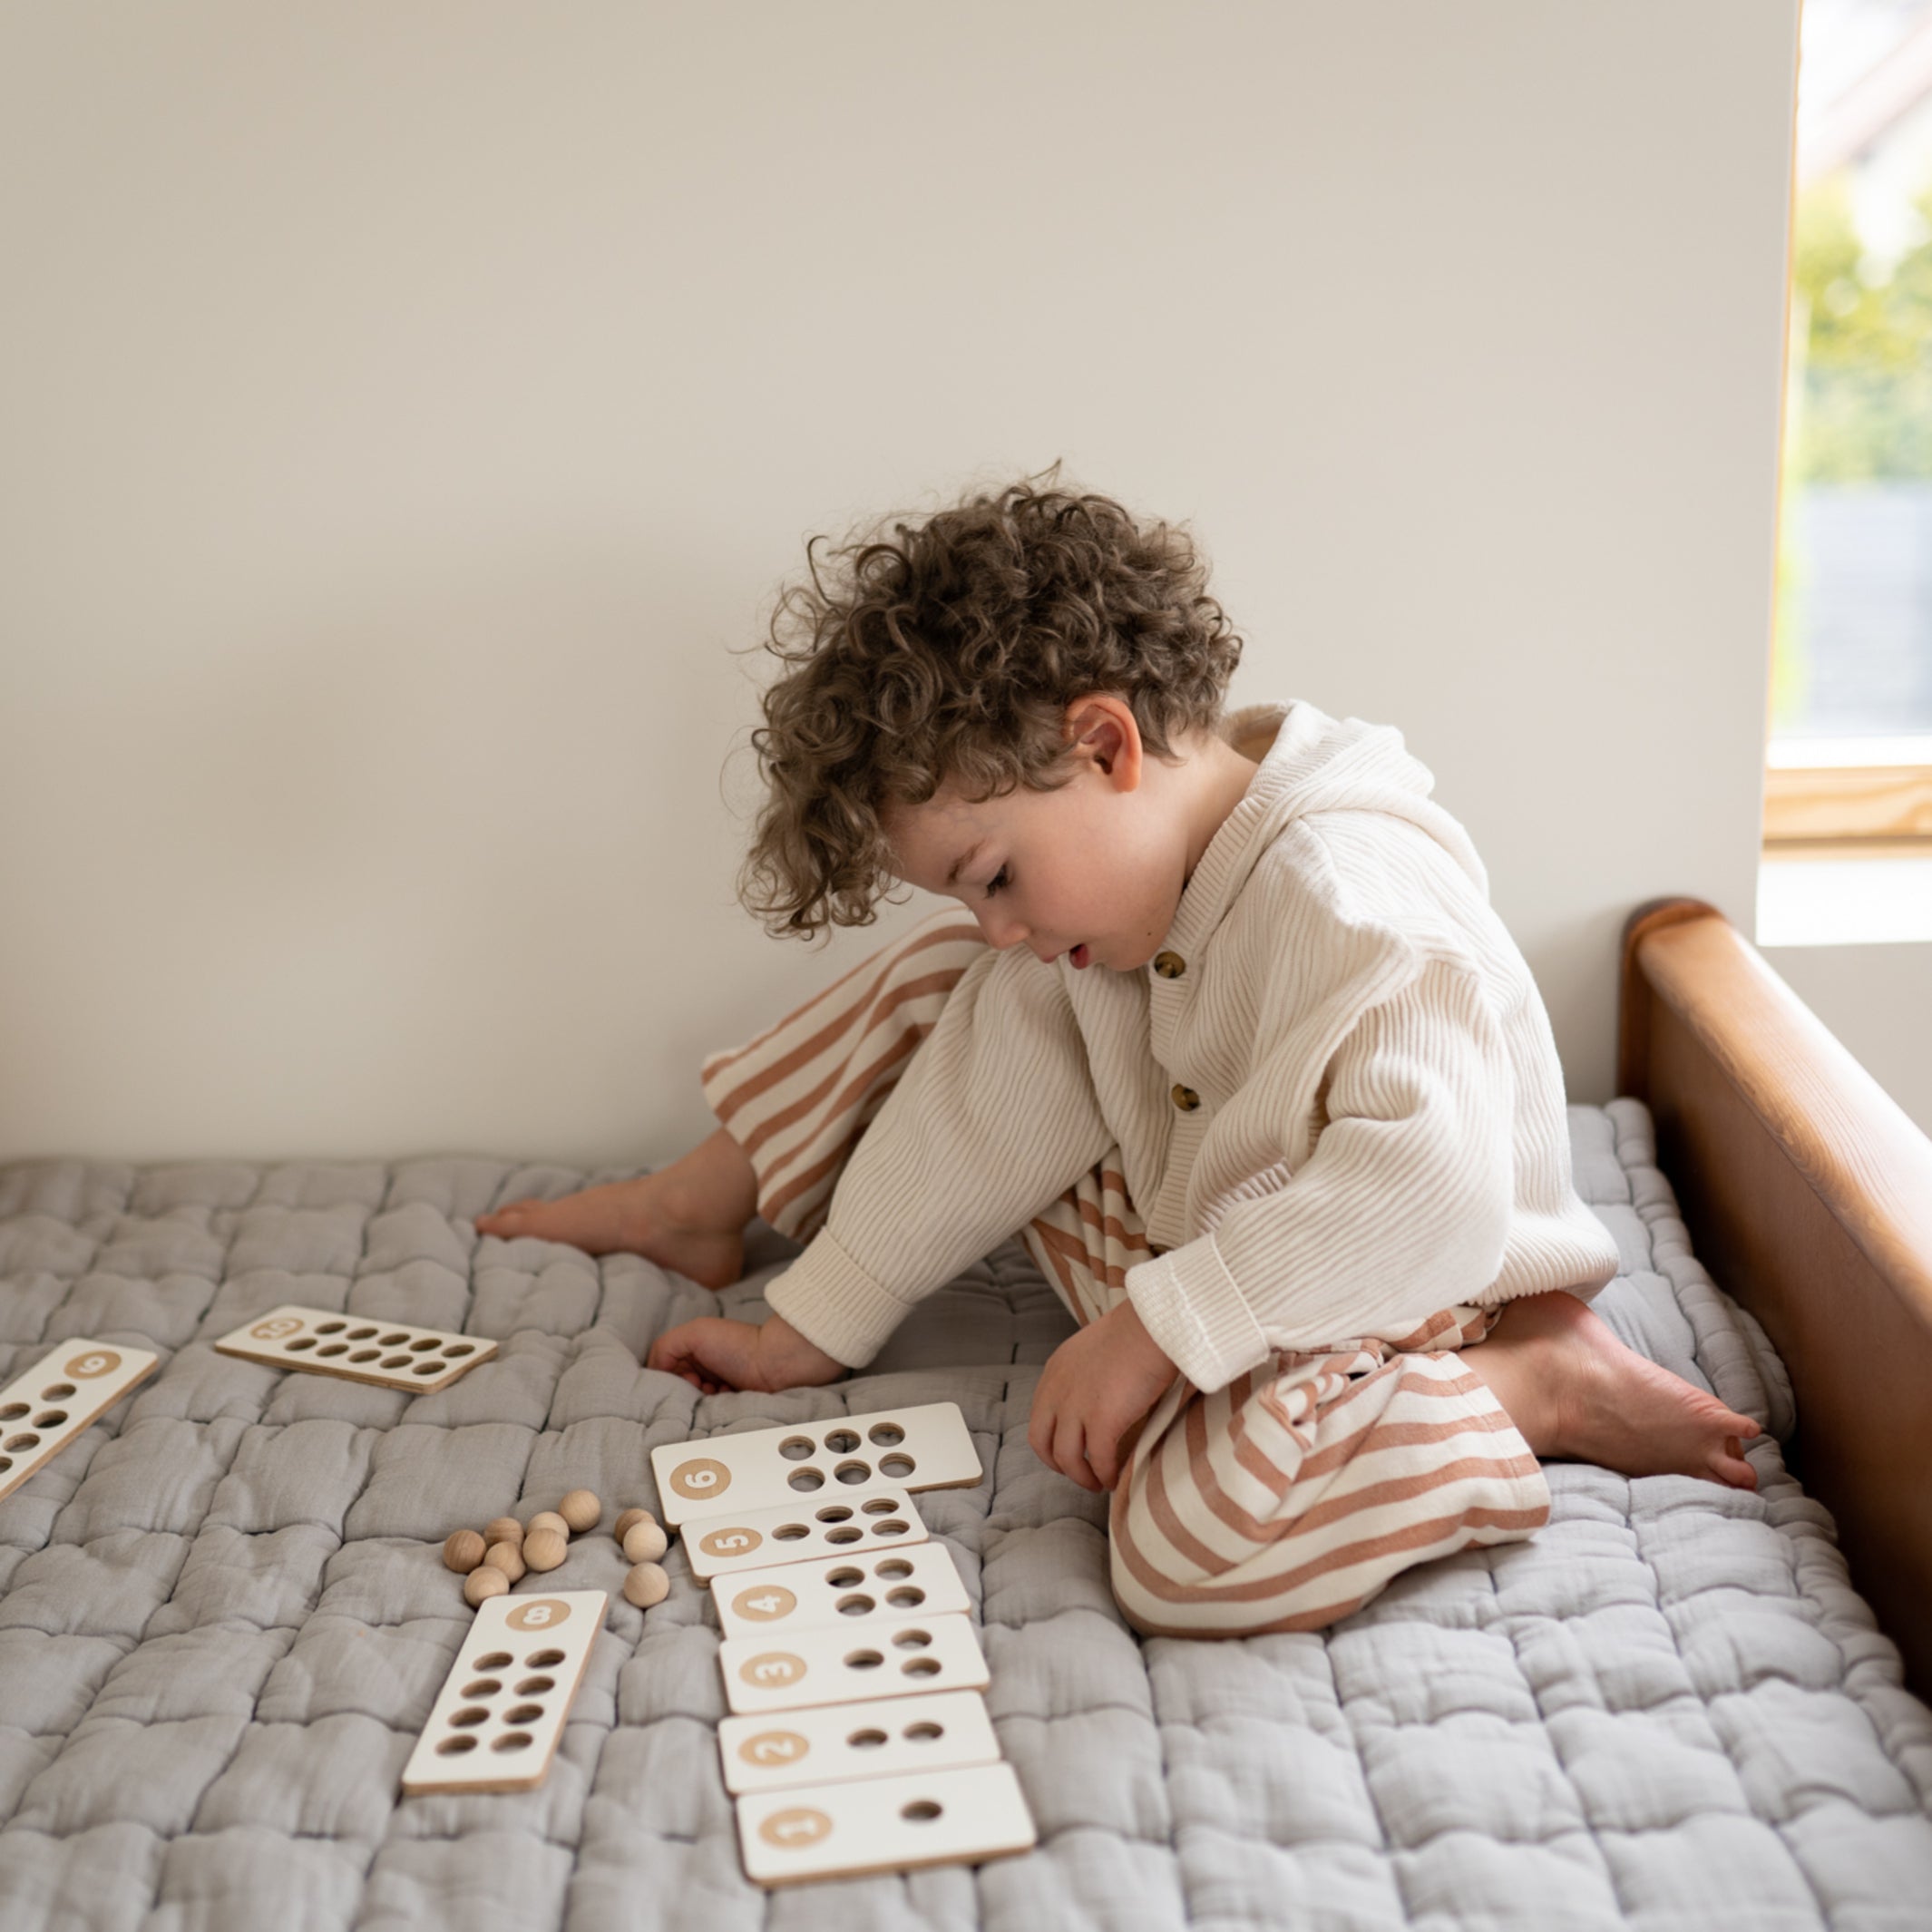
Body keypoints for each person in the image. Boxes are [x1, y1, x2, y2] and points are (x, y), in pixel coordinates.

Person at [476, 473, 1760, 1635]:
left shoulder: (1347, 896)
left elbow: (1428, 1190)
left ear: (1104, 746)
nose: (998, 923)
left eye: (993, 876)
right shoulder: (1123, 900)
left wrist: (1165, 1323)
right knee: (965, 990)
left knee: (1189, 1548)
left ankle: (1533, 1386)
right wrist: (818, 1322)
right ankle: (707, 1199)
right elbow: (986, 1100)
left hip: (1404, 1274)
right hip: (1215, 1199)